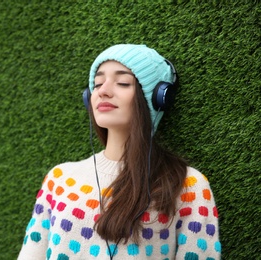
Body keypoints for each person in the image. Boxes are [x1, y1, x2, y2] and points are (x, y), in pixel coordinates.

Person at [17, 44, 221, 259]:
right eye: (97, 84)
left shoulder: (188, 184)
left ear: (158, 98)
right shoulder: (59, 179)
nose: (103, 90)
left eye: (123, 82)